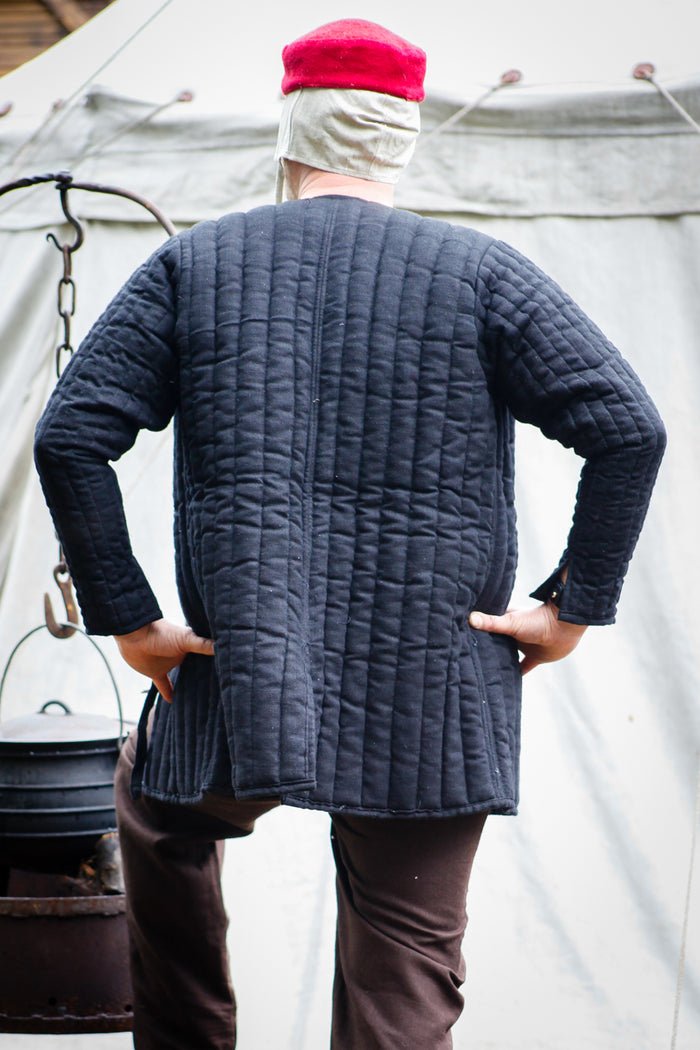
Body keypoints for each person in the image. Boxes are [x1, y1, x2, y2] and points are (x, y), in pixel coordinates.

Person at [33, 18, 666, 1050]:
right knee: (402, 980)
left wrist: (132, 623)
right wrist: (569, 611)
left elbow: (70, 438)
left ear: (291, 125)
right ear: (402, 136)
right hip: (433, 690)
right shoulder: (482, 273)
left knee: (155, 809)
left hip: (242, 674)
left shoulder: (197, 265)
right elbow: (629, 429)